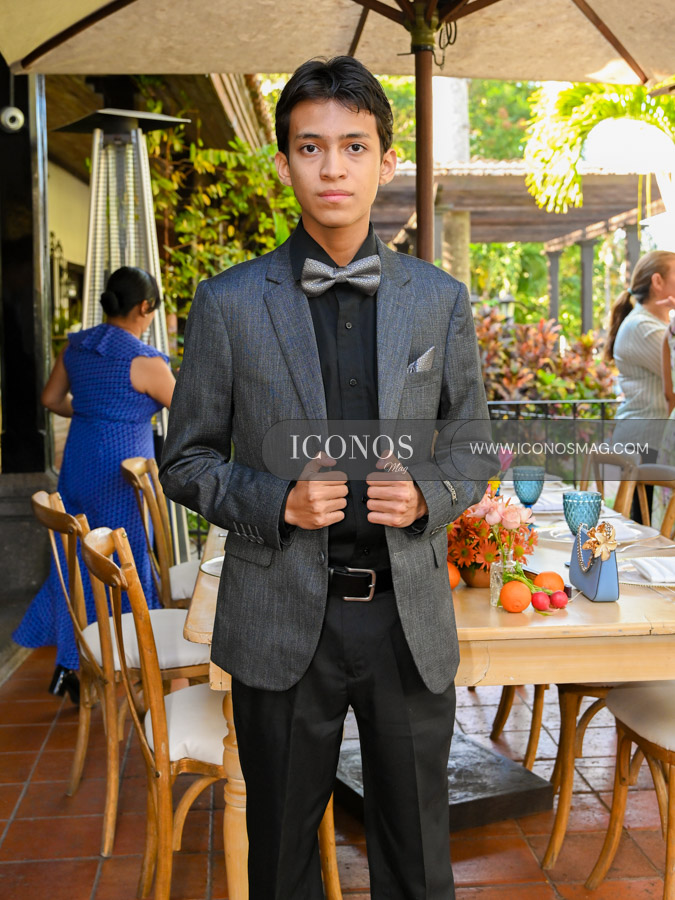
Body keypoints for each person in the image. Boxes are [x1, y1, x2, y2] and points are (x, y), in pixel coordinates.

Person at [160, 57, 488, 899]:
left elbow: (473, 446)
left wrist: (428, 494)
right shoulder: (229, 303)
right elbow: (185, 460)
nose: (332, 167)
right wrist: (277, 501)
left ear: (386, 160)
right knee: (278, 861)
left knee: (419, 864)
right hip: (277, 618)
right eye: (310, 147)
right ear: (283, 163)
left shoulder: (438, 300)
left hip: (404, 618)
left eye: (353, 146)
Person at [14, 266, 175, 701]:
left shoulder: (77, 347)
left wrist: (91, 412)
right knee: (125, 562)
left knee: (76, 561)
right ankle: (134, 657)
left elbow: (50, 399)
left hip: (80, 466)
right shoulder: (145, 362)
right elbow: (189, 411)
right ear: (145, 307)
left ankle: (73, 662)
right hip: (120, 477)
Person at [604, 250, 675, 522]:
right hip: (646, 444)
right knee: (648, 530)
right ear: (657, 281)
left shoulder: (652, 324)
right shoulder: (643, 327)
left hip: (648, 442)